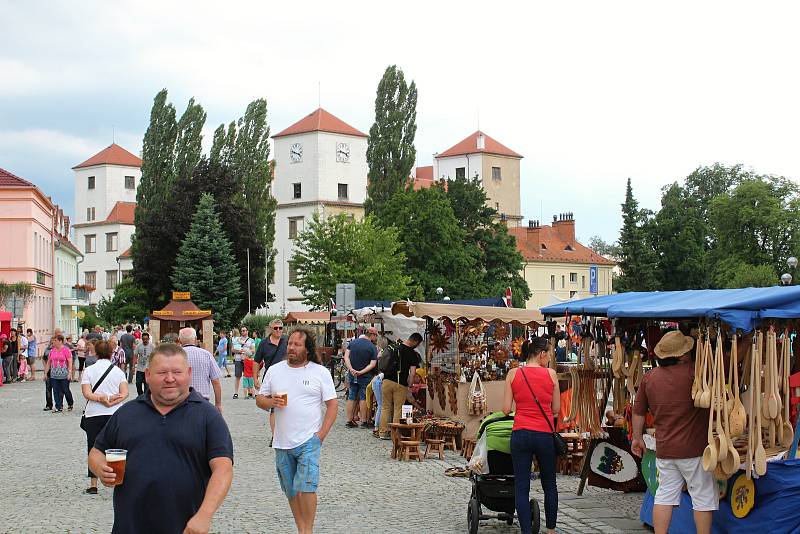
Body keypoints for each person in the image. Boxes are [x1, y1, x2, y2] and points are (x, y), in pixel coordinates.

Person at [88, 343, 234, 534]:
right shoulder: (126, 413)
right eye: (162, 373)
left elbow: (223, 469)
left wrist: (205, 514)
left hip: (186, 528)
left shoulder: (208, 416)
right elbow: (96, 452)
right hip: (130, 528)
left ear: (189, 373)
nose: (170, 379)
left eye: (177, 372)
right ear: (147, 375)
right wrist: (100, 468)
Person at [631, 330, 715, 534]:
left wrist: (637, 438)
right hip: (695, 450)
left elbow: (638, 411)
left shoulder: (650, 378)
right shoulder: (695, 373)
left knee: (664, 496)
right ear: (682, 356)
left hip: (665, 449)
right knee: (702, 498)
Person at [256, 328, 337, 534]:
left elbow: (332, 406)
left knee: (307, 487)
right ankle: (301, 529)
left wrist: (320, 436)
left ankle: (307, 531)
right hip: (281, 442)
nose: (291, 347)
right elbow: (260, 399)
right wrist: (270, 402)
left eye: (297, 344)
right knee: (291, 491)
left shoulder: (320, 372)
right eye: (290, 343)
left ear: (307, 349)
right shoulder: (275, 370)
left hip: (308, 441)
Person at [502, 337, 560, 534]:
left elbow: (505, 409)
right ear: (542, 354)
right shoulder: (551, 375)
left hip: (521, 433)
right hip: (544, 434)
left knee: (521, 485)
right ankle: (551, 530)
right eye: (550, 354)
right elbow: (556, 409)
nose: (550, 358)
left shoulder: (512, 373)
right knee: (549, 484)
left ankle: (526, 531)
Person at [81, 340, 128, 495]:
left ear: (96, 352)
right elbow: (125, 393)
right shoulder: (118, 372)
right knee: (115, 446)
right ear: (111, 353)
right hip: (114, 413)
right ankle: (116, 478)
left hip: (93, 413)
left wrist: (101, 399)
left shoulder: (88, 370)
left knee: (93, 446)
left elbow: (87, 393)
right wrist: (112, 401)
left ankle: (93, 484)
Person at [378, 333, 423, 439]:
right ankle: (395, 435)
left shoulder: (394, 346)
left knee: (385, 408)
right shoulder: (412, 354)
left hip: (387, 381)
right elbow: (412, 373)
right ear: (415, 341)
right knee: (398, 409)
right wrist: (410, 385)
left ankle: (383, 432)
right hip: (400, 384)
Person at [254, 319, 288, 435]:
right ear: (270, 329)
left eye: (280, 328)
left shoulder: (287, 340)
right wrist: (255, 378)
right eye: (276, 328)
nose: (278, 330)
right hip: (272, 379)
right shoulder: (264, 343)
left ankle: (285, 431)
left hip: (288, 377)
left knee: (286, 406)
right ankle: (275, 435)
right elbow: (256, 361)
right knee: (275, 406)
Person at [179, 327, 223, 412]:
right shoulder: (206, 355)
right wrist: (218, 404)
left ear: (179, 340)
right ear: (195, 339)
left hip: (180, 401)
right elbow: (216, 382)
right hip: (202, 401)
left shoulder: (175, 355)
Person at [344, 327, 378, 428]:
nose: (376, 337)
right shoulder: (372, 347)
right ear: (372, 335)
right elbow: (372, 364)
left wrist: (351, 369)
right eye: (376, 335)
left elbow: (346, 356)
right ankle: (364, 421)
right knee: (364, 397)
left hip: (352, 374)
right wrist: (361, 372)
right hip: (365, 376)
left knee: (351, 396)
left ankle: (349, 421)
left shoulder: (353, 343)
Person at [45, 334, 74, 413]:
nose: (53, 342)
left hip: (64, 373)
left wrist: (70, 372)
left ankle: (70, 403)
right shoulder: (52, 350)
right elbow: (48, 362)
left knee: (65, 390)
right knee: (56, 390)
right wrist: (45, 373)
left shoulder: (66, 350)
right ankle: (58, 406)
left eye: (55, 340)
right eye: (53, 340)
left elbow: (70, 362)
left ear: (60, 341)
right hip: (54, 374)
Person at [231, 326, 254, 399]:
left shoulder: (251, 340)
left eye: (244, 330)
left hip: (247, 360)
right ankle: (236, 393)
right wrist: (239, 351)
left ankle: (249, 393)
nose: (243, 332)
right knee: (238, 376)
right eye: (242, 331)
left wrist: (245, 352)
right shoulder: (237, 339)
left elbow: (253, 350)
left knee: (248, 376)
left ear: (247, 331)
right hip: (238, 360)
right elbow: (232, 349)